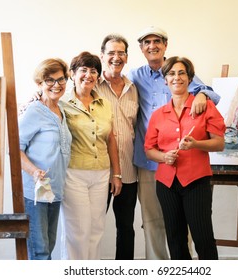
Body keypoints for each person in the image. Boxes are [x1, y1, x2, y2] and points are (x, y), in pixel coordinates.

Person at [127, 26, 221, 260]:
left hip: (189, 168)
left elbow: (208, 92)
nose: (152, 46)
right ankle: (161, 266)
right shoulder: (135, 76)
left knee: (191, 228)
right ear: (141, 48)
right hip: (153, 164)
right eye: (146, 42)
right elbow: (109, 83)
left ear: (165, 45)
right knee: (156, 223)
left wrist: (202, 94)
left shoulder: (177, 69)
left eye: (157, 41)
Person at [144, 56, 225, 260]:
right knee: (175, 238)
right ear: (165, 80)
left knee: (203, 237)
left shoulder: (205, 107)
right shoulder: (158, 115)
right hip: (166, 184)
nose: (176, 78)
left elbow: (219, 143)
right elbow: (149, 150)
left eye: (181, 73)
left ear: (190, 78)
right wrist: (164, 157)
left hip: (196, 181)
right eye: (171, 74)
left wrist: (196, 144)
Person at [60, 51, 122, 260]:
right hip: (74, 173)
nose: (88, 75)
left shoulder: (104, 104)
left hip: (102, 174)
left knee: (96, 228)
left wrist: (117, 174)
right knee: (78, 230)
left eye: (93, 71)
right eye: (83, 70)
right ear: (72, 74)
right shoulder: (61, 102)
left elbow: (111, 139)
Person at [18, 58, 72, 260]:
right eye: (49, 80)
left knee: (48, 248)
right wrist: (34, 172)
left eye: (61, 79)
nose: (56, 85)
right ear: (39, 84)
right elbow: (15, 149)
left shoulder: (62, 110)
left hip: (55, 190)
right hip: (36, 192)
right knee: (39, 251)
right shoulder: (34, 111)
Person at [97, 34, 139, 260]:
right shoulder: (89, 84)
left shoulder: (134, 88)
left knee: (126, 227)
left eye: (121, 53)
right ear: (102, 56)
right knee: (93, 227)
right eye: (111, 53)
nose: (116, 57)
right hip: (100, 171)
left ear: (126, 57)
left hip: (128, 171)